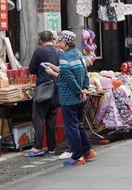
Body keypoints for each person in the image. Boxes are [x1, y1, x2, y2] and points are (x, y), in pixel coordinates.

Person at [43, 30, 94, 166]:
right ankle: (87, 151)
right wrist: (84, 89)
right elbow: (83, 72)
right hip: (79, 96)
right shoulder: (78, 53)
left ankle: (77, 156)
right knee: (78, 125)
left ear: (65, 42)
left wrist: (52, 73)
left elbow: (67, 77)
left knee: (71, 127)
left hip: (69, 97)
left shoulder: (64, 57)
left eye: (60, 41)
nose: (58, 43)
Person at [25, 31, 60, 157]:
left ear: (41, 40)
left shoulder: (39, 51)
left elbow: (32, 69)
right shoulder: (58, 52)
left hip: (43, 87)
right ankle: (51, 148)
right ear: (52, 39)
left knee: (39, 118)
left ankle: (37, 147)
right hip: (55, 87)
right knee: (51, 118)